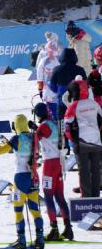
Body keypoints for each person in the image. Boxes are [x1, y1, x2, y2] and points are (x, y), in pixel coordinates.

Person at [0, 114, 45, 249]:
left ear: (15, 126)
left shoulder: (16, 139)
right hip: (34, 178)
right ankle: (40, 239)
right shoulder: (35, 137)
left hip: (20, 178)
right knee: (35, 210)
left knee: (18, 210)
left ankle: (21, 240)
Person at [32, 102, 73, 241]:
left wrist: (33, 129)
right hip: (59, 162)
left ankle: (54, 228)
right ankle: (68, 228)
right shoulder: (55, 123)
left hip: (49, 163)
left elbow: (36, 140)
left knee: (48, 195)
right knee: (59, 196)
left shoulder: (43, 126)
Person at [64, 79, 102, 197]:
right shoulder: (94, 104)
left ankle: (86, 198)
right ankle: (96, 197)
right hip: (96, 142)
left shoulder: (73, 106)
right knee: (96, 170)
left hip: (81, 143)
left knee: (84, 172)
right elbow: (101, 121)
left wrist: (72, 140)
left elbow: (67, 127)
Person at [48, 48, 86, 119]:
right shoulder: (80, 70)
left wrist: (59, 91)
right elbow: (86, 85)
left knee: (62, 126)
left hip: (62, 103)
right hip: (78, 103)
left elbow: (52, 86)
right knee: (78, 125)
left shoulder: (57, 69)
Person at [36, 38, 60, 120]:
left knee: (50, 112)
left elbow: (39, 77)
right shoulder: (60, 60)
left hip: (49, 92)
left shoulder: (43, 61)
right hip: (58, 91)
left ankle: (53, 127)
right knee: (59, 112)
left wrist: (40, 89)